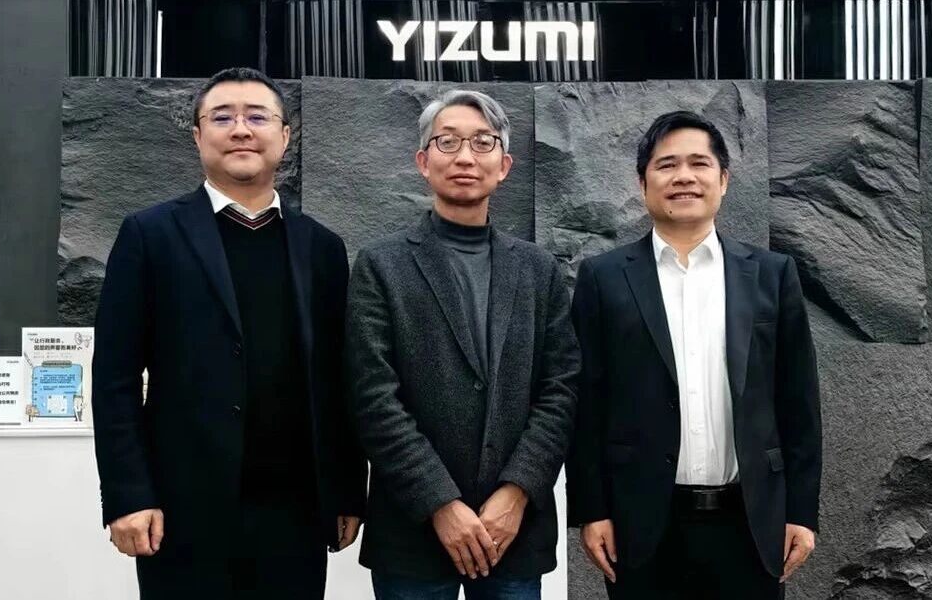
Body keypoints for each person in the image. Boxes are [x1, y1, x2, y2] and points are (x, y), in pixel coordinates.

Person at [92, 67, 366, 600]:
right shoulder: (150, 234)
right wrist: (128, 495)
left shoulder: (323, 247)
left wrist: (348, 490)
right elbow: (114, 378)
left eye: (257, 117)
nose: (241, 129)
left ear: (284, 136)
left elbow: (340, 379)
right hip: (182, 510)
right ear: (198, 135)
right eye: (222, 118)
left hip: (294, 512)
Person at [567, 111, 821, 599]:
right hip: (641, 524)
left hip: (751, 522)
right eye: (666, 165)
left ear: (723, 180)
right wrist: (591, 510)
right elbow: (586, 403)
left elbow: (799, 402)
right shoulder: (603, 278)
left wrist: (801, 512)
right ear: (643, 183)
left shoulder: (771, 274)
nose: (683, 176)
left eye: (699, 163)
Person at [345, 89, 579, 599]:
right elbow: (373, 396)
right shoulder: (381, 265)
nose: (466, 157)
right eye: (447, 142)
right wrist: (440, 503)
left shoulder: (538, 270)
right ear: (423, 162)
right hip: (414, 532)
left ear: (505, 165)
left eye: (483, 142)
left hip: (512, 532)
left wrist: (517, 492)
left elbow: (561, 389)